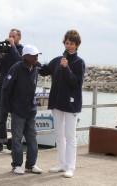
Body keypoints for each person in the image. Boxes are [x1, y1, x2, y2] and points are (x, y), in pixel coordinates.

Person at [38, 29, 85, 178]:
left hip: (71, 104)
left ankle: (70, 167)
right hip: (57, 103)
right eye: (67, 43)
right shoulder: (57, 59)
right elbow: (43, 70)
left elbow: (76, 83)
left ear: (77, 45)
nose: (68, 46)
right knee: (59, 135)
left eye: (72, 43)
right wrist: (31, 57)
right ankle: (61, 163)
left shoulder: (79, 62)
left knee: (70, 136)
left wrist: (66, 68)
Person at [2, 45, 43, 175]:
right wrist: (9, 107)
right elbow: (5, 88)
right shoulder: (16, 68)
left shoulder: (35, 68)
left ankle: (31, 165)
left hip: (31, 110)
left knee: (32, 138)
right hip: (18, 110)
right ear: (25, 57)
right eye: (34, 55)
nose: (36, 57)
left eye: (37, 55)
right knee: (17, 138)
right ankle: (16, 165)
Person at [0, 28, 23, 153]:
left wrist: (12, 46)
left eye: (13, 36)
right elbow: (1, 69)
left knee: (16, 117)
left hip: (15, 90)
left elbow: (19, 61)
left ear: (19, 38)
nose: (11, 38)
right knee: (0, 116)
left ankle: (15, 144)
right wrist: (0, 56)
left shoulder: (21, 50)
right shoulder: (6, 50)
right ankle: (1, 142)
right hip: (4, 88)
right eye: (9, 36)